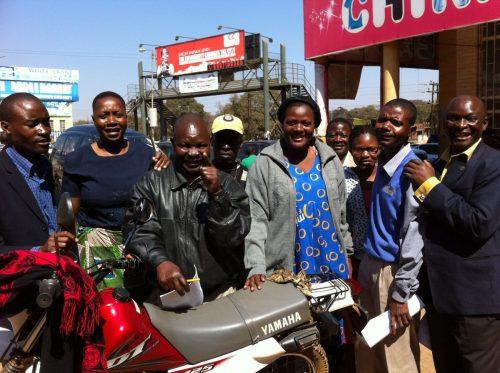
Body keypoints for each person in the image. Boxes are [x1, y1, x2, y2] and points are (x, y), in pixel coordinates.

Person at [405, 95, 500, 373]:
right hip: (440, 297)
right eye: (453, 117)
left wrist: (431, 186)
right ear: (442, 122)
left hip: (475, 303)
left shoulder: (493, 164)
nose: (461, 125)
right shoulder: (440, 162)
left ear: (483, 123)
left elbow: (478, 222)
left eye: (470, 119)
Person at [124, 113, 250, 302]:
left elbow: (233, 237)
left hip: (219, 296)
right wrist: (160, 262)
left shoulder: (228, 184)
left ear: (210, 144)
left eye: (200, 146)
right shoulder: (150, 183)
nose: (193, 153)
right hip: (163, 295)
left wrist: (217, 194)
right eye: (185, 145)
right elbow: (140, 230)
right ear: (174, 144)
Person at [0, 92, 78, 370]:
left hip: (60, 292)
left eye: (46, 122)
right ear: (6, 128)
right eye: (33, 124)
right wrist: (38, 253)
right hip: (19, 302)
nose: (45, 130)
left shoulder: (48, 167)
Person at [61, 91, 169, 288]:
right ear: (94, 119)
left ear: (125, 117)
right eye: (104, 116)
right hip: (97, 249)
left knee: (143, 307)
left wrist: (167, 167)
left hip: (141, 243)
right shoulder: (77, 160)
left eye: (117, 114)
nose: (112, 121)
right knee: (106, 308)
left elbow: (163, 197)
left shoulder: (146, 155)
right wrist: (68, 251)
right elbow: (69, 215)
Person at [244, 96, 353, 291]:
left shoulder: (330, 159)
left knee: (334, 320)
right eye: (291, 122)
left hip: (332, 262)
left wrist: (348, 254)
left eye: (306, 123)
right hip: (286, 271)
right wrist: (256, 265)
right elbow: (256, 221)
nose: (298, 128)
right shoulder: (265, 163)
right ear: (282, 124)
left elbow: (341, 214)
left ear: (315, 126)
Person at [356, 99, 423, 373]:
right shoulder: (384, 161)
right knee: (370, 351)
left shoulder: (411, 169)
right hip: (371, 267)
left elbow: (414, 236)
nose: (386, 126)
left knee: (396, 357)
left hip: (392, 275)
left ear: (411, 129)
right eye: (382, 119)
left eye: (396, 122)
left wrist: (400, 292)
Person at [344, 125, 380, 278]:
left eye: (371, 149)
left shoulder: (388, 178)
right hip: (354, 258)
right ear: (351, 150)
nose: (365, 154)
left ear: (379, 149)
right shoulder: (343, 178)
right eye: (359, 149)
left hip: (382, 259)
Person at [211, 114, 246, 186]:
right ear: (211, 141)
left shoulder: (249, 177)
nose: (226, 147)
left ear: (241, 143)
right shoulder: (200, 175)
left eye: (232, 140)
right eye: (221, 139)